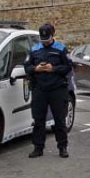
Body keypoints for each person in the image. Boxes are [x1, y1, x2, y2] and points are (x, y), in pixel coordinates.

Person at [25, 23, 73, 158]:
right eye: (43, 40)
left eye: (47, 39)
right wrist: (36, 69)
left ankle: (62, 147)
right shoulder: (34, 49)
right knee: (38, 120)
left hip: (57, 89)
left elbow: (68, 67)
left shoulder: (61, 49)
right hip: (40, 89)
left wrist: (53, 68)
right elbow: (27, 67)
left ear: (53, 35)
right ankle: (38, 148)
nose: (45, 42)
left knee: (59, 119)